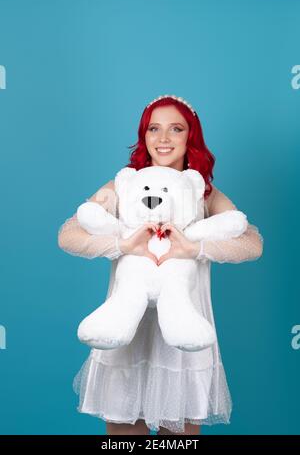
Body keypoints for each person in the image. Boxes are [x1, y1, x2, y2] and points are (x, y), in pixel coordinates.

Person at [58, 95, 264, 435]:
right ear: (144, 135)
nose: (163, 138)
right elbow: (69, 234)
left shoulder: (204, 193)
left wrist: (194, 247)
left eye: (175, 129)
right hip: (129, 330)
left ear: (190, 137)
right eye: (154, 128)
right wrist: (122, 244)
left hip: (183, 332)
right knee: (124, 435)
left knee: (179, 437)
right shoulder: (125, 185)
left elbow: (251, 242)